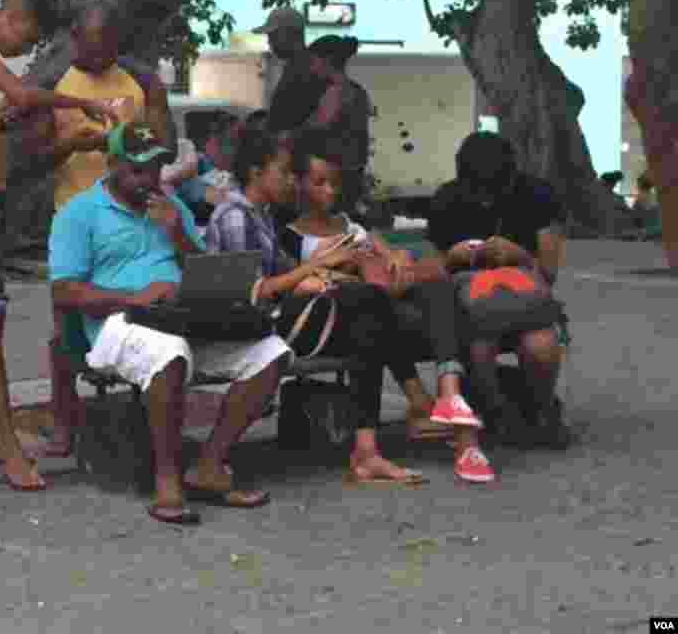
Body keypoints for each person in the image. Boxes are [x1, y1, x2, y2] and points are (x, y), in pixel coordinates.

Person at [50, 121, 291, 524]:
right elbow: (64, 292)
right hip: (117, 325)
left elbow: (203, 268)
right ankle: (167, 480)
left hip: (181, 316)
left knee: (271, 353)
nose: (149, 179)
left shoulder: (170, 206)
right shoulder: (79, 213)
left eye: (156, 168)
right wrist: (134, 297)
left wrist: (178, 234)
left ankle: (210, 464)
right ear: (112, 165)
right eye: (137, 169)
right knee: (170, 352)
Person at [0, 0, 120, 490]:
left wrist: (2, 121)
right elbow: (19, 94)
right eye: (27, 38)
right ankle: (10, 448)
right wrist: (83, 102)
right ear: (11, 17)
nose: (22, 50)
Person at [204, 127, 426, 485]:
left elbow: (285, 276)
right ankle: (415, 402)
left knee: (367, 322)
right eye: (284, 171)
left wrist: (326, 272)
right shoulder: (235, 215)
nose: (291, 180)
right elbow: (253, 293)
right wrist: (313, 270)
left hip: (288, 315)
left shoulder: (259, 214)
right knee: (368, 304)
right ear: (257, 172)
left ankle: (368, 450)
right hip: (262, 326)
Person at [278, 129, 495, 483]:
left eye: (332, 183)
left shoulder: (349, 223)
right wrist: (342, 264)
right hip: (349, 315)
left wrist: (395, 259)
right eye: (319, 183)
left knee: (438, 287)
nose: (329, 191)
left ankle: (448, 391)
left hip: (386, 303)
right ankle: (433, 410)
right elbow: (299, 283)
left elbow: (388, 251)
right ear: (298, 184)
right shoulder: (290, 234)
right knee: (380, 307)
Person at [23, 6, 175, 457]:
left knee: (141, 308)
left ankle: (143, 403)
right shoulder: (59, 86)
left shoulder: (136, 83)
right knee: (67, 328)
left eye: (109, 44)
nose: (102, 52)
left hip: (131, 212)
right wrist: (76, 142)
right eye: (93, 43)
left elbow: (157, 143)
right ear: (75, 39)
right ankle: (66, 424)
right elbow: (35, 158)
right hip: (76, 213)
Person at [428, 131, 571, 449]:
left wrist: (518, 254)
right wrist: (454, 257)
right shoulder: (447, 199)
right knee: (480, 346)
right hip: (472, 308)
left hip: (526, 302)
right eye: (476, 191)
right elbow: (433, 273)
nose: (484, 199)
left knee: (540, 344)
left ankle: (542, 409)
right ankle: (496, 412)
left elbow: (548, 274)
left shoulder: (538, 195)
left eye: (491, 190)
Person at [305, 36, 375, 216]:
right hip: (352, 176)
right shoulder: (358, 91)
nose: (311, 67)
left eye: (313, 61)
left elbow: (317, 129)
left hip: (335, 179)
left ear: (326, 61)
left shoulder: (336, 92)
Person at [254, 7, 328, 138]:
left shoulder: (306, 68)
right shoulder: (297, 66)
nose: (269, 42)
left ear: (290, 33)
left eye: (273, 35)